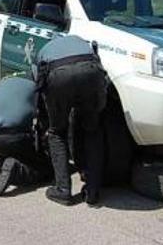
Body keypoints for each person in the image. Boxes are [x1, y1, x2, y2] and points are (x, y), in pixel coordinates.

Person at [35, 35, 109, 207]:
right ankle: (93, 191)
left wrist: (47, 121)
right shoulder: (80, 41)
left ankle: (63, 190)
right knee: (92, 130)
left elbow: (39, 88)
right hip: (91, 70)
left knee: (57, 132)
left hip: (58, 75)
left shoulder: (43, 52)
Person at [0, 75, 52, 196]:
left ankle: (1, 164)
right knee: (46, 170)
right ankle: (18, 170)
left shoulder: (3, 82)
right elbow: (46, 121)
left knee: (8, 131)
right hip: (9, 137)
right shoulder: (37, 88)